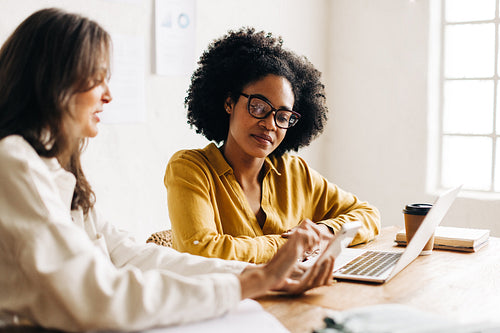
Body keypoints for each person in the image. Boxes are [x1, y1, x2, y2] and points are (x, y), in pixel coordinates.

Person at [0, 8, 336, 332]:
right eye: (95, 79)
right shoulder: (13, 162)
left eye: (282, 115)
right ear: (51, 81)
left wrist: (258, 276)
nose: (109, 95)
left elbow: (129, 255)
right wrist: (256, 278)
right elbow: (96, 298)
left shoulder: (55, 170)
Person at [163, 28, 381, 264]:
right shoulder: (190, 169)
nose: (270, 124)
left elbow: (368, 215)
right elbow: (201, 251)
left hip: (291, 298)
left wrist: (324, 233)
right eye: (258, 106)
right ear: (229, 103)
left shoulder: (294, 173)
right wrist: (290, 246)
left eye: (283, 116)